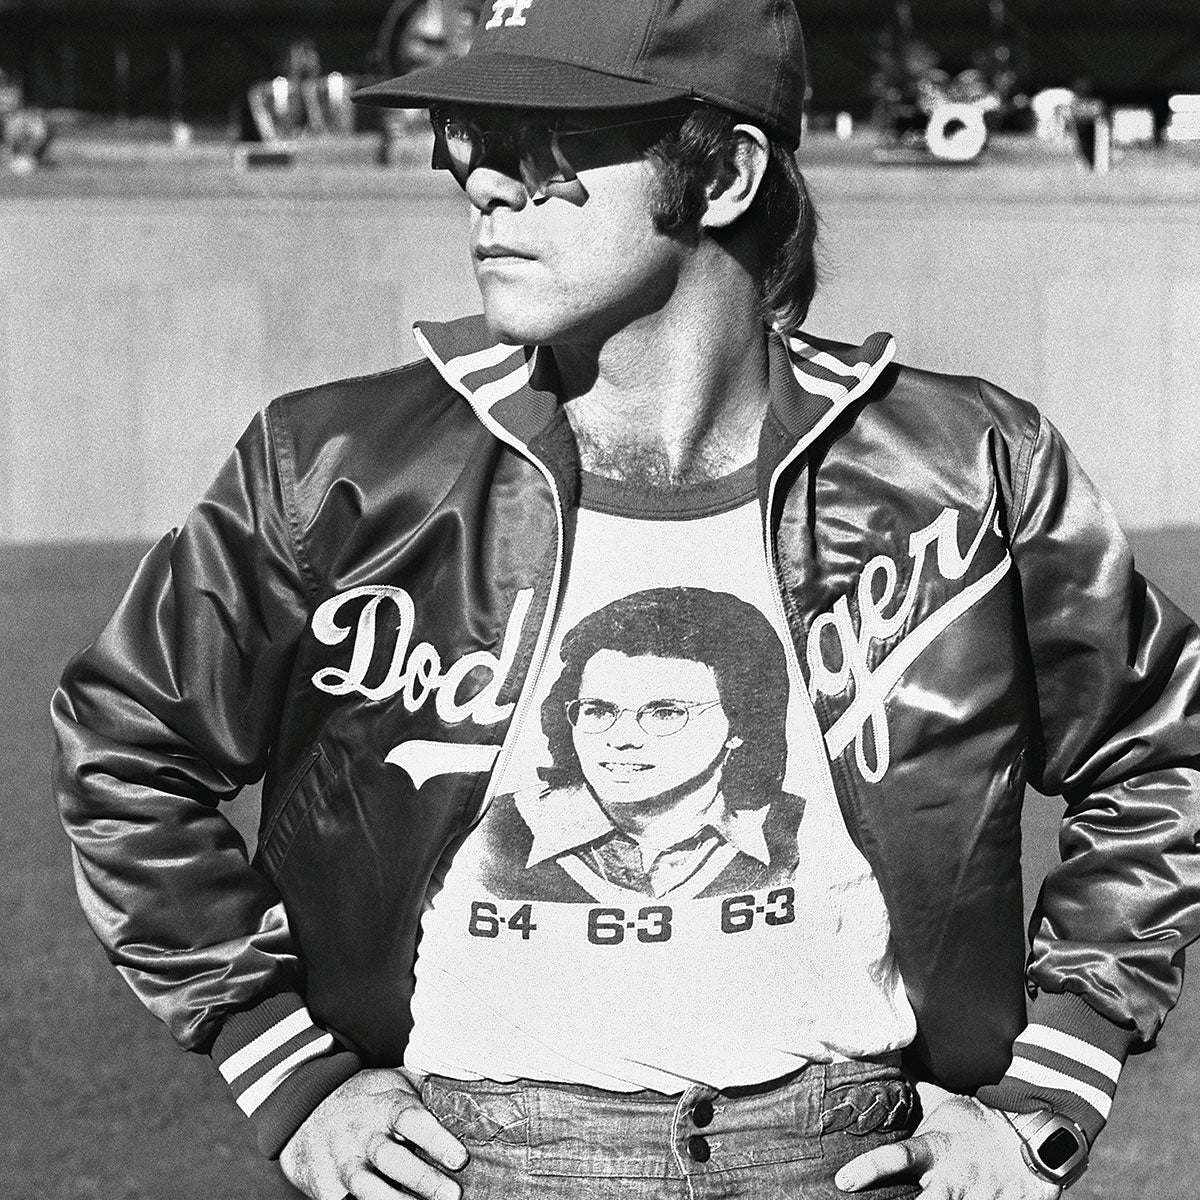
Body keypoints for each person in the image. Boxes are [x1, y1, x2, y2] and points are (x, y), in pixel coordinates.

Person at [52, 2, 1200, 1199]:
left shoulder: (968, 468)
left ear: (726, 174)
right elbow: (127, 750)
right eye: (470, 128)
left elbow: (1163, 751)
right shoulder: (336, 469)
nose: (480, 174)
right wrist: (281, 1065)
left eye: (550, 137)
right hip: (465, 1161)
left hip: (854, 1153)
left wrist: (1057, 1083)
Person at [476, 586, 805, 900]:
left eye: (664, 712)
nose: (621, 739)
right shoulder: (497, 830)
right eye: (598, 709)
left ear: (741, 724)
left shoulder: (798, 830)